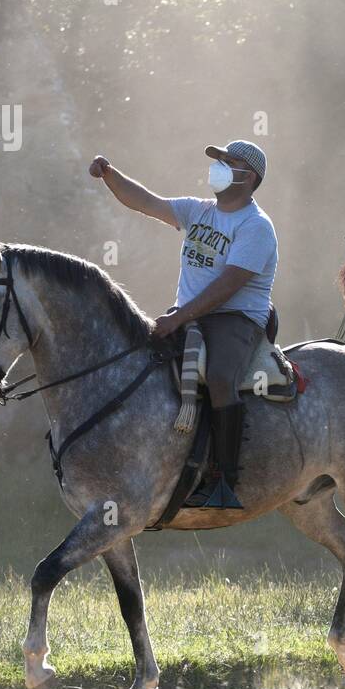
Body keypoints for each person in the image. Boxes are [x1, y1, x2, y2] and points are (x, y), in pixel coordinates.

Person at [88, 139, 278, 509]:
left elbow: (227, 286)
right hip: (191, 313)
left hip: (234, 318)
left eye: (229, 162)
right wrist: (110, 175)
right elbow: (146, 201)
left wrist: (178, 317)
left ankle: (225, 481)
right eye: (219, 160)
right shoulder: (198, 210)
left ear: (249, 176)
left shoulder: (256, 226)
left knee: (221, 377)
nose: (219, 166)